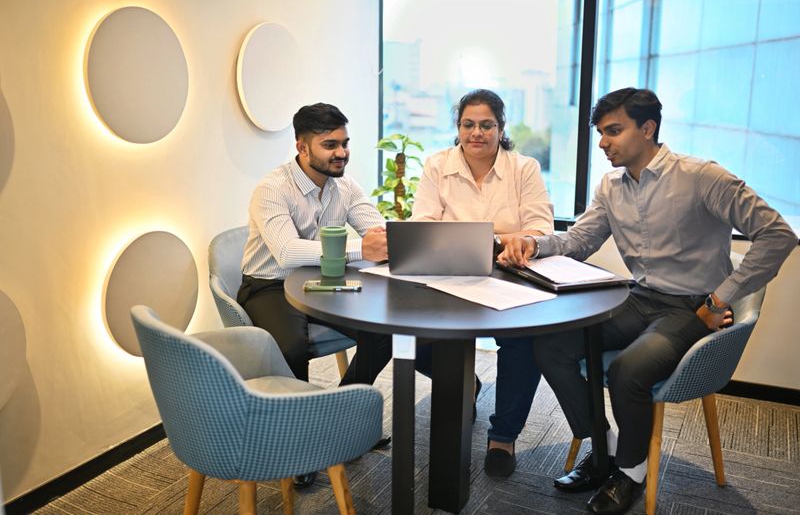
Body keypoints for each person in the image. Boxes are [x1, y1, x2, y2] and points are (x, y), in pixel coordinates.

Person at [499, 87, 797, 515]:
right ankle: (606, 448)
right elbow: (580, 240)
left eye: (614, 131)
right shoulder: (611, 185)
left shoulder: (702, 177)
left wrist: (720, 299)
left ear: (648, 128)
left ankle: (632, 473)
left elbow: (778, 235)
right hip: (639, 297)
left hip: (690, 307)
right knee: (549, 345)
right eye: (601, 133)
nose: (603, 142)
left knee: (628, 370)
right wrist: (532, 243)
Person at [238, 103, 393, 486]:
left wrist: (388, 239)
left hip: (325, 279)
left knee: (382, 334)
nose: (341, 153)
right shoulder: (272, 189)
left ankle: (336, 425)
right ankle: (300, 447)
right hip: (271, 283)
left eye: (344, 143)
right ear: (302, 148)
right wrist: (362, 250)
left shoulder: (346, 186)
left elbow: (377, 232)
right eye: (330, 145)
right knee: (292, 346)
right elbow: (288, 252)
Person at [411, 89, 554, 478]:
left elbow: (540, 229)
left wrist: (487, 239)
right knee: (413, 335)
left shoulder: (523, 169)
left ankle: (503, 436)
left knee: (522, 343)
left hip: (511, 274)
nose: (477, 133)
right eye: (468, 124)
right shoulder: (437, 165)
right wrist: (502, 234)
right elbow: (423, 226)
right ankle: (466, 385)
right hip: (449, 274)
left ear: (500, 127)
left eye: (486, 125)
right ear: (458, 128)